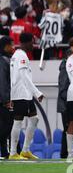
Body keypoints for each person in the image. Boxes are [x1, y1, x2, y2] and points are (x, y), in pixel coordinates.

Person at [9, 32, 44, 160]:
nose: (33, 45)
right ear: (27, 42)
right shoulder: (21, 56)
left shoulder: (18, 55)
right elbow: (24, 77)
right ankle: (13, 153)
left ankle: (25, 150)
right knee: (18, 121)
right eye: (32, 42)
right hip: (21, 93)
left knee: (34, 119)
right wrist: (37, 92)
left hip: (25, 93)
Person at [0, 37, 14, 158]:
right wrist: (6, 100)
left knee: (6, 125)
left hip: (3, 99)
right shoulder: (3, 61)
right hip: (3, 101)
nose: (13, 47)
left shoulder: (5, 59)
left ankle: (5, 152)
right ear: (5, 46)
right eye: (11, 45)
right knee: (9, 125)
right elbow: (3, 82)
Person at [57, 49, 71, 159]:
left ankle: (67, 153)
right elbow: (63, 89)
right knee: (68, 129)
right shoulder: (65, 69)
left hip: (68, 103)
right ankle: (64, 154)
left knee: (71, 129)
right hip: (66, 105)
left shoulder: (67, 68)